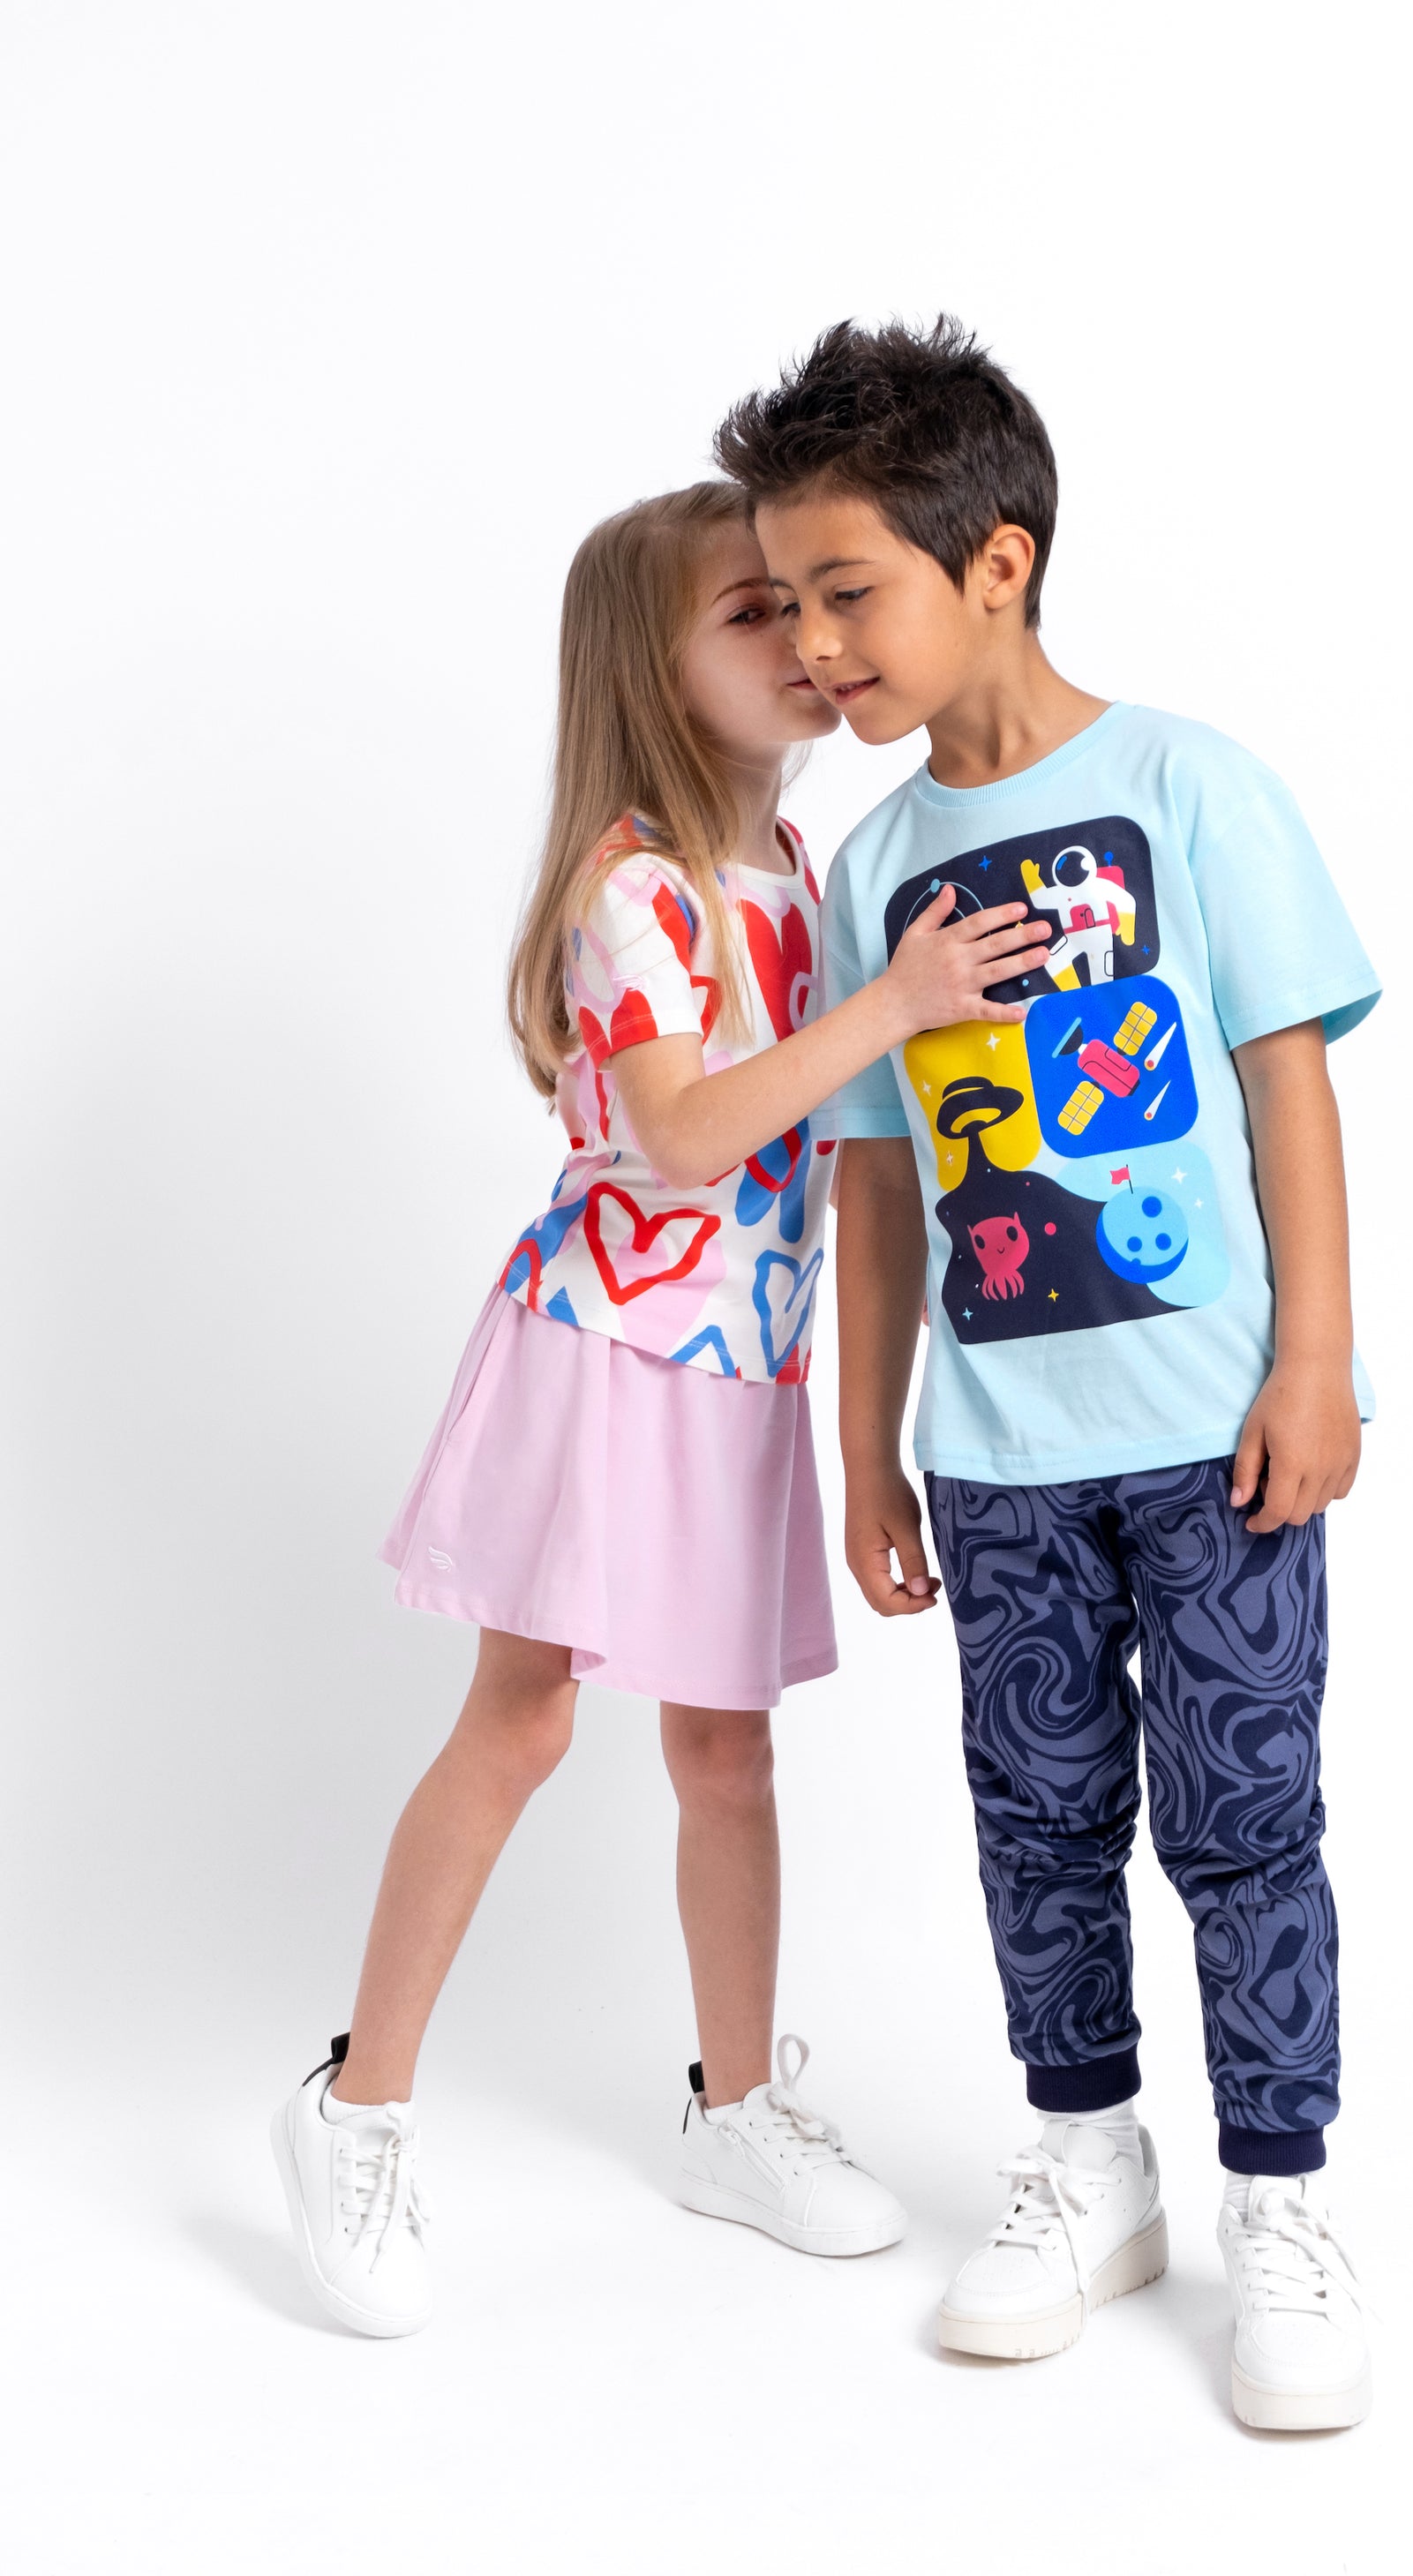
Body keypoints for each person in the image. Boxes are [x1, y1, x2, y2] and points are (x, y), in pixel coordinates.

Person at [270, 479, 1051, 2338]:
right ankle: (354, 2104)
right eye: (750, 614)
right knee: (522, 1719)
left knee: (727, 1751)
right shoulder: (634, 885)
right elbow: (690, 1132)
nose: (803, 642)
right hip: (604, 1354)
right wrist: (899, 1001)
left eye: (803, 603)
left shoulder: (796, 869)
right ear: (653, 662)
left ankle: (734, 2106)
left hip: (740, 1370)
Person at [716, 324, 1379, 2430]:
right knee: (1038, 1816)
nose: (816, 645)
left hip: (1216, 1431)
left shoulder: (1189, 785)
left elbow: (1283, 1081)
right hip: (997, 1454)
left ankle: (1279, 2197)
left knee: (1245, 1819)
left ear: (995, 561)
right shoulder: (870, 871)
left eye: (849, 591)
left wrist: (1317, 1360)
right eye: (786, 601)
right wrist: (869, 1449)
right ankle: (1089, 2158)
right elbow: (877, 1183)